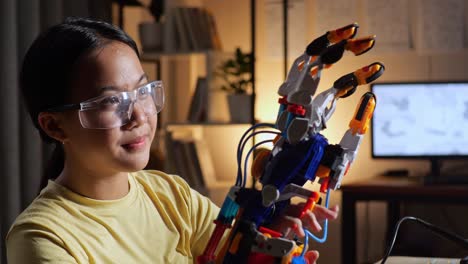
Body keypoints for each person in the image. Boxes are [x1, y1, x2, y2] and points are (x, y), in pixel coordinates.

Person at [6, 17, 339, 263]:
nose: (139, 116)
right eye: (111, 101)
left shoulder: (170, 195)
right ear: (55, 126)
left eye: (142, 91)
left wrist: (270, 234)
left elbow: (233, 256)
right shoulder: (41, 237)